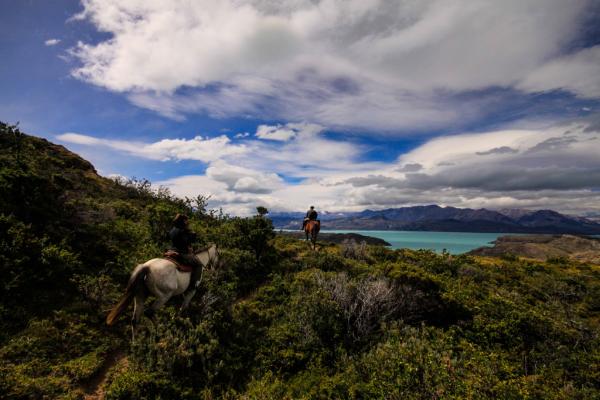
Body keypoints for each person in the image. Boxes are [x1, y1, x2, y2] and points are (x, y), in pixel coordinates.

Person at [169, 214, 203, 294]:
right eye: (186, 220)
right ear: (183, 220)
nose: (188, 222)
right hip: (181, 253)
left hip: (171, 250)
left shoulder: (173, 229)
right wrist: (193, 234)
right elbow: (186, 241)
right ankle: (194, 284)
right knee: (199, 264)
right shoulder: (183, 230)